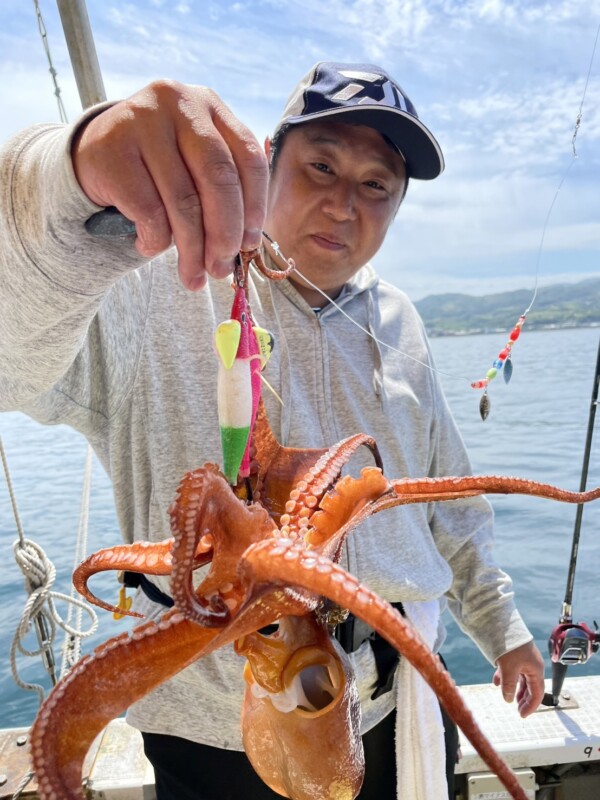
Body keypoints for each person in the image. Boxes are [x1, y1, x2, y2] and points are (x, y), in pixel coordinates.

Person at [0, 62, 544, 799]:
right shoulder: (153, 286)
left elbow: (450, 501)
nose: (342, 204)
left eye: (375, 184)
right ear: (265, 161)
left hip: (391, 705)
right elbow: (11, 364)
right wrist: (66, 173)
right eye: (320, 165)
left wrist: (502, 630)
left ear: (396, 205)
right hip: (210, 735)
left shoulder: (401, 323)